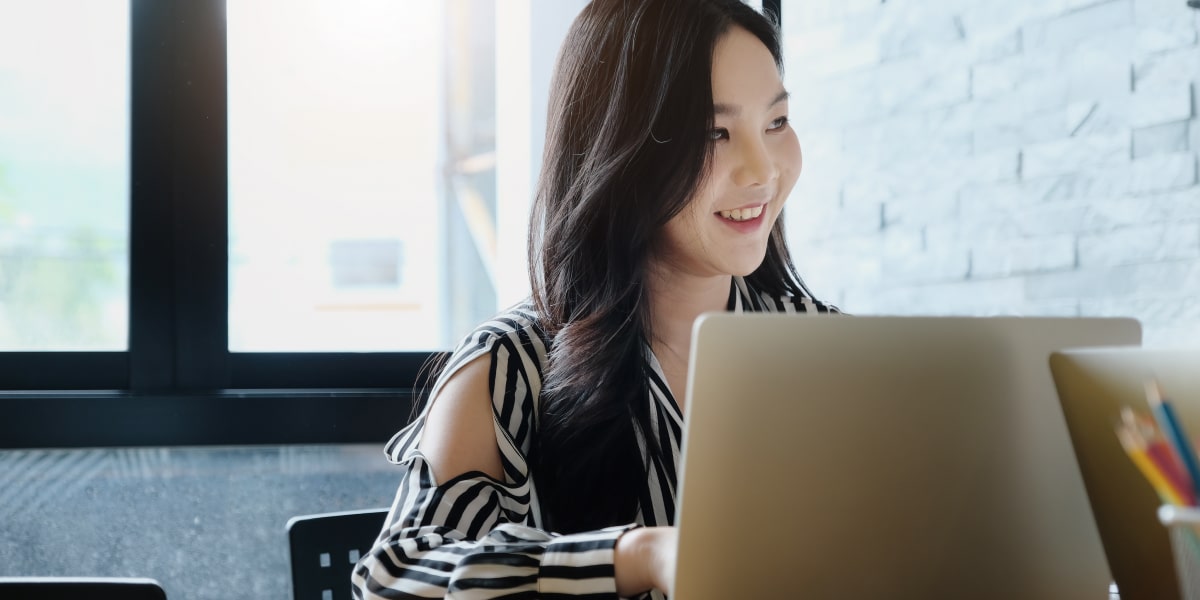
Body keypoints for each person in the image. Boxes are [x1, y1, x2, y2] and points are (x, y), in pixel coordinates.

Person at [352, 0, 838, 598]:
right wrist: (638, 555)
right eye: (714, 131)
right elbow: (395, 578)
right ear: (620, 148)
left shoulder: (825, 347)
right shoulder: (510, 366)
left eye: (777, 123)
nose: (762, 170)